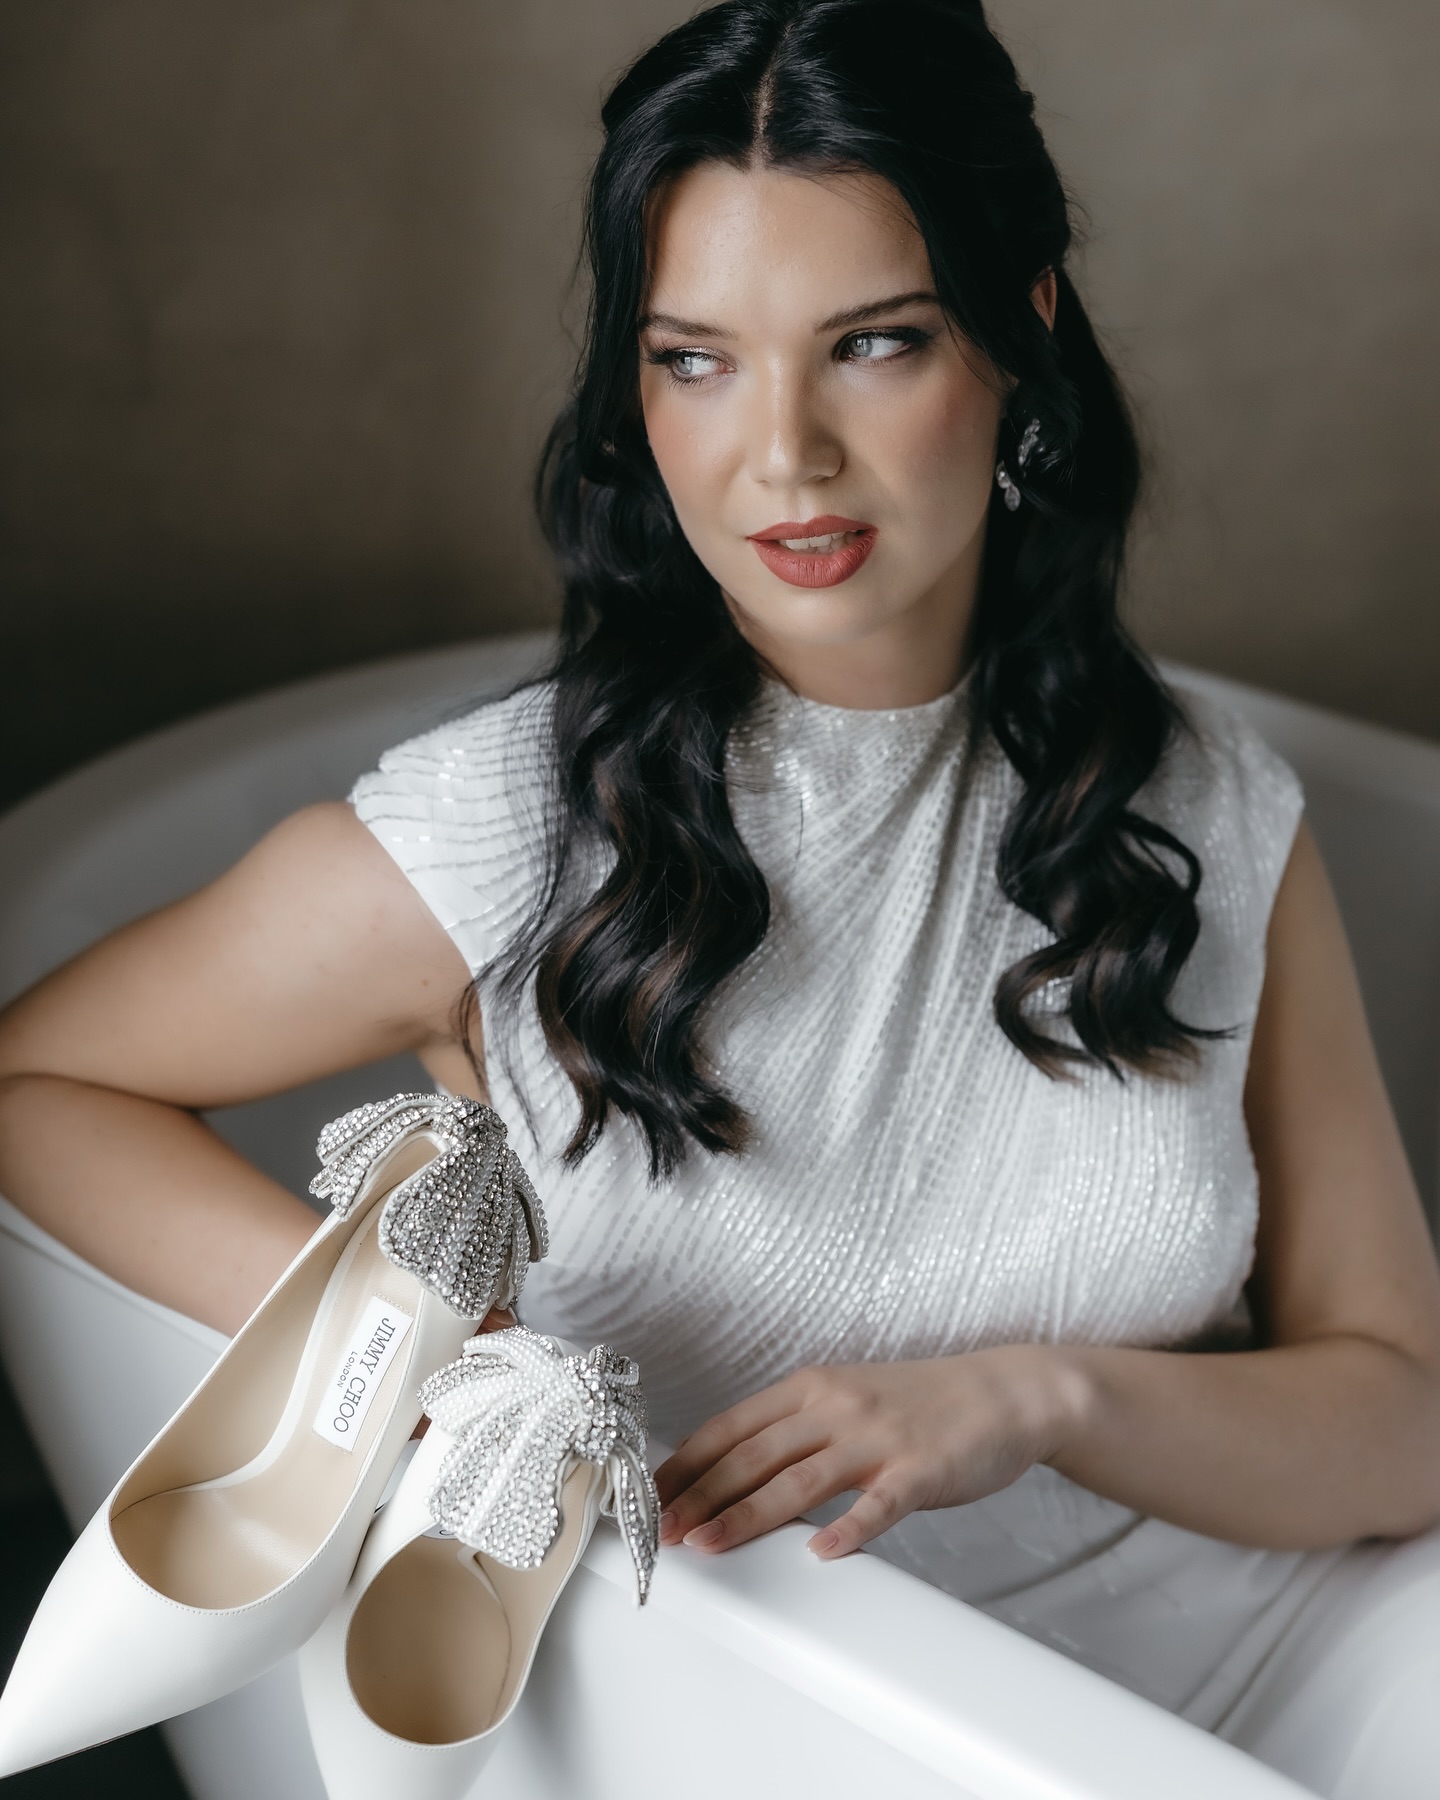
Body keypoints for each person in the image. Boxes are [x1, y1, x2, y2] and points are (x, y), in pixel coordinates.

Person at [1, 0, 1438, 1730]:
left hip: (1274, 1669)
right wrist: (436, 1379)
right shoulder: (506, 834)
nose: (783, 455)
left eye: (876, 344)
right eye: (695, 358)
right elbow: (33, 1082)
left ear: (1019, 328)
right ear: (635, 386)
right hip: (777, 1719)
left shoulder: (1205, 804)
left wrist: (1039, 1399)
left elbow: (1401, 1412)